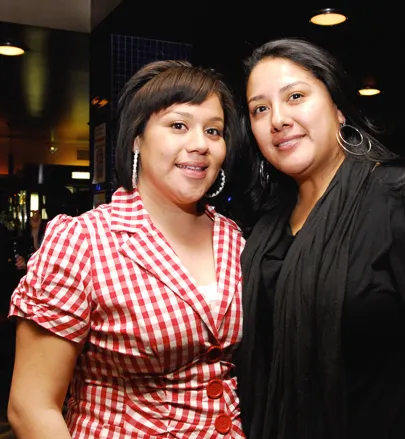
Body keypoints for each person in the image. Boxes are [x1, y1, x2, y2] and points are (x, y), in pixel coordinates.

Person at [233, 38, 405, 439]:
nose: (278, 119)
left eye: (296, 96)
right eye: (260, 109)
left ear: (338, 108)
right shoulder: (264, 228)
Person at [8, 60, 246, 438]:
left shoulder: (234, 239)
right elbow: (31, 407)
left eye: (213, 131)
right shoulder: (83, 242)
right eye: (178, 125)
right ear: (138, 138)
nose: (200, 144)